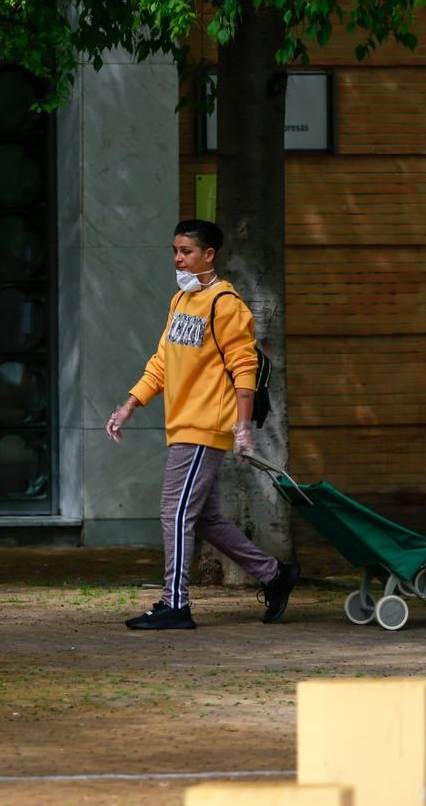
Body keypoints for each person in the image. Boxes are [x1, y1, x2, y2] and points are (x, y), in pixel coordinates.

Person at [106, 219, 299, 630]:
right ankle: (275, 574)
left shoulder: (225, 304)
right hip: (182, 425)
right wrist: (129, 405)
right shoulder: (181, 301)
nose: (178, 258)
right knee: (205, 518)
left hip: (203, 427)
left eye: (186, 251)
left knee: (174, 512)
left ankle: (175, 604)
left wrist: (243, 428)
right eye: (174, 250)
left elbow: (244, 368)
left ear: (209, 255)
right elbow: (161, 363)